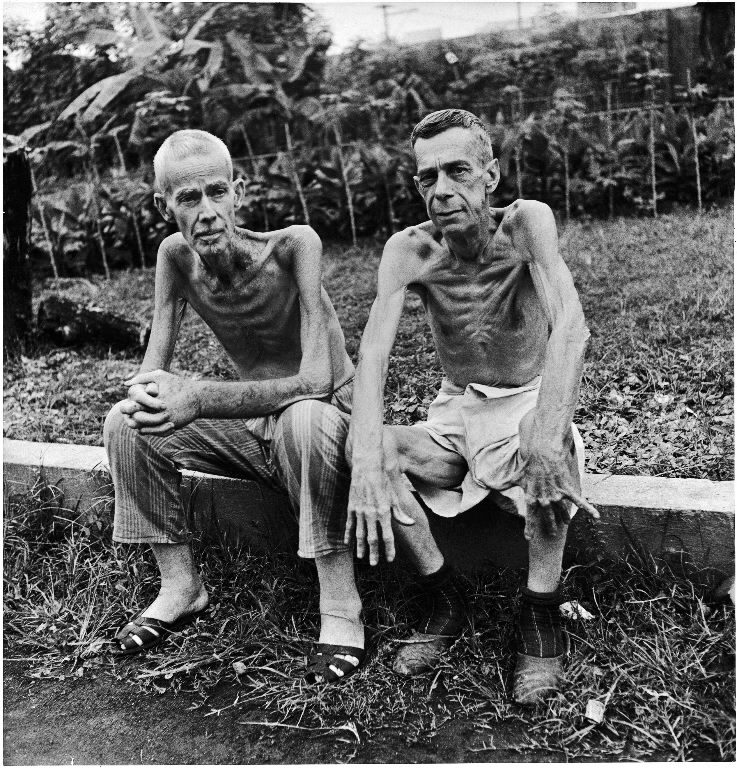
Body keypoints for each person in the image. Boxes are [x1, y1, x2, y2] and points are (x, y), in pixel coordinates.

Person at [344, 109, 599, 705]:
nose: (442, 190)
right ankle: (443, 595)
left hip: (525, 398)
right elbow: (373, 355)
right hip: (456, 410)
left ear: (490, 173)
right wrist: (364, 459)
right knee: (373, 445)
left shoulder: (526, 225)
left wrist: (547, 428)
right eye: (427, 177)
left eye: (457, 171)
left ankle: (541, 611)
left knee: (552, 442)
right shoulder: (409, 251)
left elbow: (571, 330)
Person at [104, 129, 378, 683]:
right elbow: (153, 368)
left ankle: (341, 606)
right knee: (125, 423)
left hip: (327, 424)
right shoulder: (175, 258)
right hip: (256, 430)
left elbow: (317, 380)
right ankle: (182, 587)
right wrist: (147, 394)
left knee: (304, 418)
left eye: (217, 192)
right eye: (188, 199)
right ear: (164, 207)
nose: (206, 212)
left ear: (239, 191)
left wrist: (201, 397)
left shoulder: (294, 246)